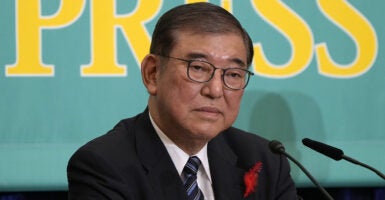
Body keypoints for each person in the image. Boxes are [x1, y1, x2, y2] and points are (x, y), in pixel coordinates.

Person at [67, 2, 299, 200]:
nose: (215, 90)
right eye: (197, 68)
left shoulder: (264, 161)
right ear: (152, 73)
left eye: (233, 74)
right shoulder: (104, 166)